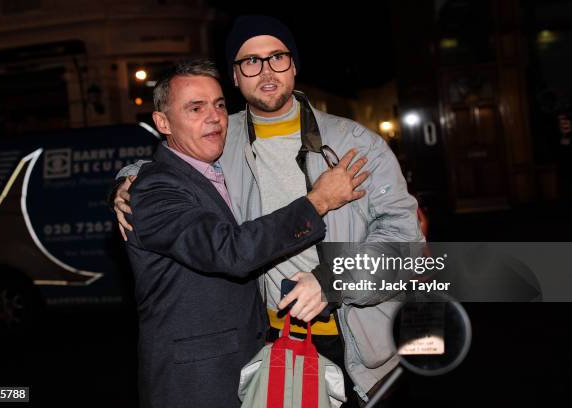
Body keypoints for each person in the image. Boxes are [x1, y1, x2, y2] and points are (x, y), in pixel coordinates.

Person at [114, 16, 424, 407]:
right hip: (266, 348)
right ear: (236, 75)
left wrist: (332, 280)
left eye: (277, 57)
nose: (265, 71)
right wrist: (129, 179)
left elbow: (407, 247)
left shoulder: (356, 143)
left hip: (357, 349)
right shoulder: (220, 139)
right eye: (250, 61)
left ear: (293, 65)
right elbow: (175, 161)